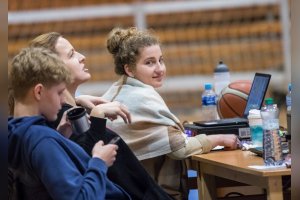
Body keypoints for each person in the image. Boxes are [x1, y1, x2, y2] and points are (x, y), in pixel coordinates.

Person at [28, 32, 173, 200]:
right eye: (72, 54)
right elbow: (81, 163)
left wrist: (77, 102)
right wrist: (97, 118)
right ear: (52, 69)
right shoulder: (59, 118)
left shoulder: (72, 111)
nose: (82, 57)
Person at [102, 27, 240, 200]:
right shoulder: (141, 97)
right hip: (145, 193)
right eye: (149, 63)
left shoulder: (115, 91)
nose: (159, 68)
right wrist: (218, 139)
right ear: (129, 69)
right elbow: (179, 149)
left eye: (161, 60)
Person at [8, 47, 130, 200]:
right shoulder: (42, 140)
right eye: (59, 92)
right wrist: (99, 162)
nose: (63, 100)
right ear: (39, 92)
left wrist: (59, 136)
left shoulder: (17, 133)